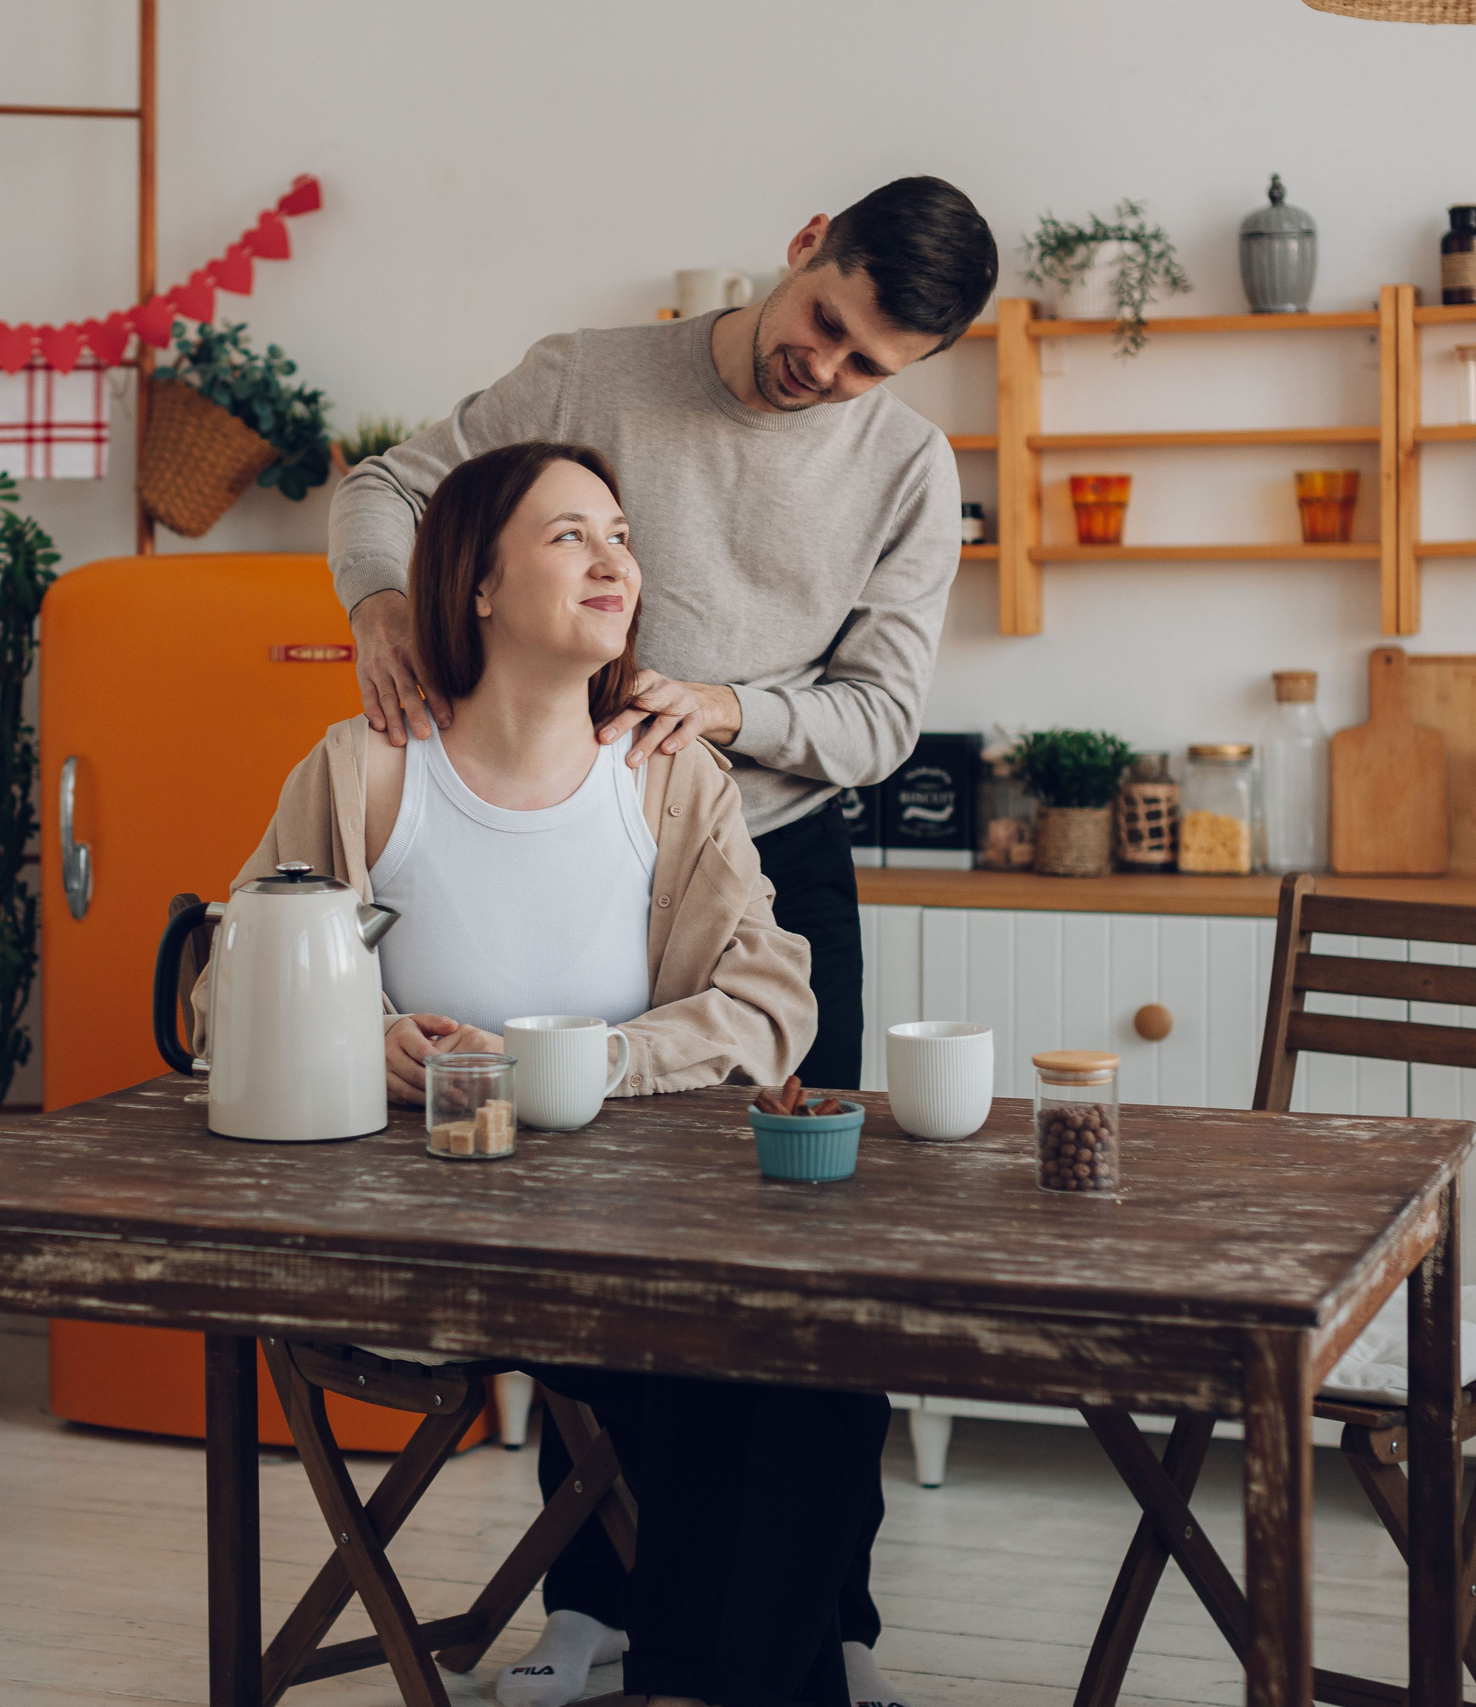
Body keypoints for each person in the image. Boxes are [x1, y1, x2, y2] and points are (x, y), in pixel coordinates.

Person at [327, 175, 1000, 1707]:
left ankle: (825, 1621)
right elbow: (388, 489)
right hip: (588, 840)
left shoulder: (902, 465)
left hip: (770, 852)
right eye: (824, 324)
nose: (819, 371)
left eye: (865, 363)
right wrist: (378, 601)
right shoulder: (587, 374)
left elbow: (883, 716)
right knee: (609, 1241)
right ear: (803, 244)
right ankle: (603, 1606)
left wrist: (733, 708)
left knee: (804, 1256)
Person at [231, 440, 883, 1707]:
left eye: (622, 536)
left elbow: (767, 1004)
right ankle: (720, 1679)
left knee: (824, 1352)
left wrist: (588, 1061)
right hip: (425, 1252)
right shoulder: (365, 774)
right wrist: (363, 1039)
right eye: (569, 534)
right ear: (473, 583)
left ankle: (709, 1685)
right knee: (723, 1363)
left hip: (638, 1247)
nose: (612, 559)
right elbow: (233, 990)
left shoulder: (666, 776)